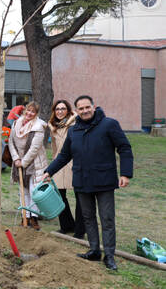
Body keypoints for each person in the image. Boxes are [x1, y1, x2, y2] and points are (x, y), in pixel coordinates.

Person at [43, 95, 133, 271]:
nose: (84, 111)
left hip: (104, 180)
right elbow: (64, 155)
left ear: (94, 106)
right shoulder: (73, 130)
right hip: (82, 180)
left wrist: (126, 173)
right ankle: (94, 250)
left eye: (87, 107)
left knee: (107, 219)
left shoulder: (109, 124)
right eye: (81, 109)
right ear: (76, 111)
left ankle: (109, 255)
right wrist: (49, 171)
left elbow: (124, 148)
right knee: (88, 217)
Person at [8, 101, 49, 230]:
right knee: (23, 192)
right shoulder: (16, 123)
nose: (29, 113)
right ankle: (24, 216)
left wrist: (23, 162)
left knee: (33, 192)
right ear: (25, 110)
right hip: (19, 162)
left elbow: (34, 149)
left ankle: (34, 218)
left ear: (36, 114)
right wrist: (16, 159)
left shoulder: (39, 126)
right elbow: (11, 142)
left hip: (34, 163)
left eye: (33, 112)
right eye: (28, 110)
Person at [47, 100, 82, 237]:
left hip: (75, 163)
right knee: (59, 197)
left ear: (68, 110)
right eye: (57, 109)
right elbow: (54, 148)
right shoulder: (53, 127)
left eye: (63, 108)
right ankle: (66, 225)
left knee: (80, 198)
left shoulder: (75, 124)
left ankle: (80, 230)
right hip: (60, 164)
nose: (60, 111)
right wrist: (53, 163)